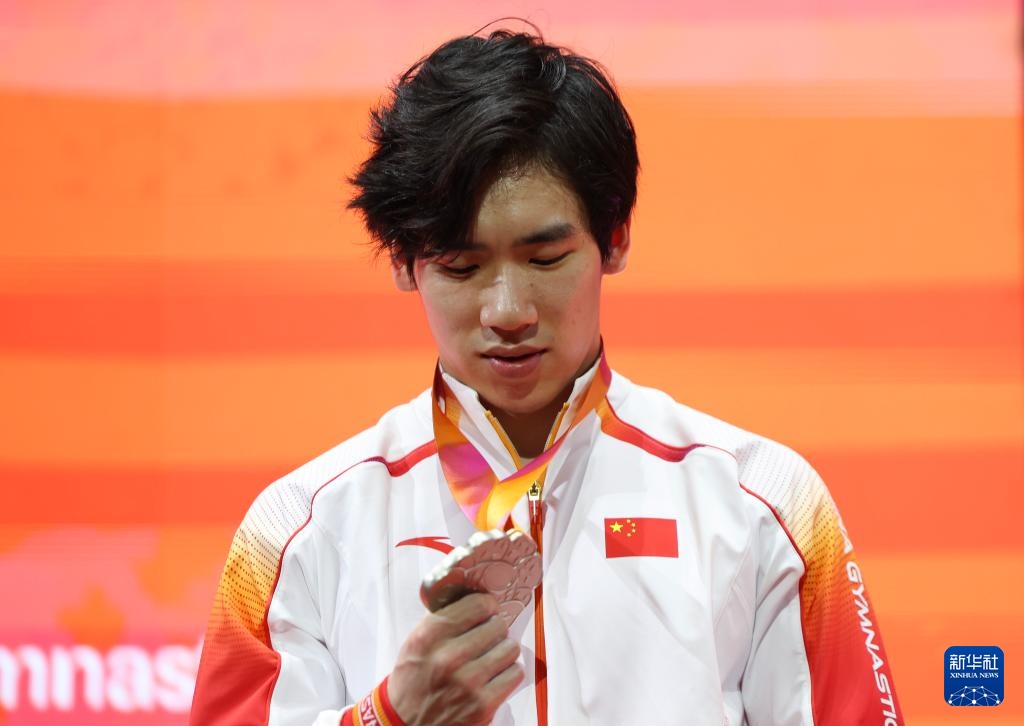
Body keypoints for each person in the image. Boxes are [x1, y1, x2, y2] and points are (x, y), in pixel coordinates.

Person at [190, 28, 902, 726]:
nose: (507, 311)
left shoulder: (762, 506)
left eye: (545, 259)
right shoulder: (301, 530)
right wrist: (389, 720)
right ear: (404, 264)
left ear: (615, 238)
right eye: (462, 267)